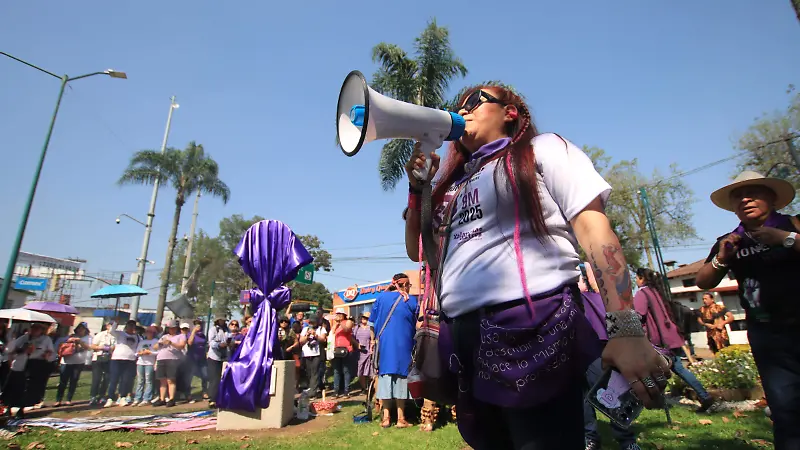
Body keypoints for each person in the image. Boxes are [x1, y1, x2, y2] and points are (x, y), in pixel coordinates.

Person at [403, 85, 669, 449]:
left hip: (533, 328)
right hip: (466, 339)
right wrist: (418, 189)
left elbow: (593, 229)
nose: (461, 110)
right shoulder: (456, 184)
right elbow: (417, 251)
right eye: (457, 106)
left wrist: (625, 328)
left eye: (473, 102)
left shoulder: (542, 149)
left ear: (510, 112)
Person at [696, 171, 800, 450]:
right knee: (785, 409)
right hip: (768, 334)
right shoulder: (730, 241)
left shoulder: (793, 225)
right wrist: (721, 258)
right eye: (738, 196)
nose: (745, 199)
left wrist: (784, 238)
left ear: (773, 198)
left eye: (754, 193)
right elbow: (703, 281)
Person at [634, 268, 714, 413]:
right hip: (671, 336)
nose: (635, 281)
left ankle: (657, 401)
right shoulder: (657, 292)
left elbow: (639, 315)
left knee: (651, 371)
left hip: (658, 340)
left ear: (641, 278)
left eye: (636, 278)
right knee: (679, 368)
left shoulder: (642, 293)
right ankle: (704, 395)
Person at [370, 273, 418, 429]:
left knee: (385, 379)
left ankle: (386, 418)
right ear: (404, 285)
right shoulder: (410, 300)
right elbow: (418, 323)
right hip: (404, 347)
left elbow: (372, 324)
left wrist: (373, 342)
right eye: (409, 285)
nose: (409, 288)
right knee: (401, 380)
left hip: (385, 347)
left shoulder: (380, 299)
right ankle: (401, 418)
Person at [54, 323, 92, 407]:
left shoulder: (88, 338)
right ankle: (58, 400)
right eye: (79, 328)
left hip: (79, 362)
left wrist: (80, 341)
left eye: (82, 329)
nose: (80, 330)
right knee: (62, 381)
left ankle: (69, 399)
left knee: (73, 381)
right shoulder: (69, 336)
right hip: (66, 361)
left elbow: (89, 348)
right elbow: (58, 344)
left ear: (86, 330)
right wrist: (69, 340)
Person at [153, 320, 187, 407]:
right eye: (169, 328)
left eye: (173, 328)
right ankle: (162, 398)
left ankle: (171, 398)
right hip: (161, 358)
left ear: (176, 328)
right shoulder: (164, 336)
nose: (171, 330)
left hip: (172, 359)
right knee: (162, 380)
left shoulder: (181, 336)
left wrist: (171, 343)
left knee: (171, 379)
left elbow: (181, 346)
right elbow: (155, 347)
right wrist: (161, 343)